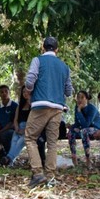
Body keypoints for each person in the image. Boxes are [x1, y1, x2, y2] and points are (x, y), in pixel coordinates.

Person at [24, 36, 74, 188]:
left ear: (42, 47)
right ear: (57, 50)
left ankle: (38, 173)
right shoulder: (64, 67)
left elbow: (30, 80)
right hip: (57, 108)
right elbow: (69, 91)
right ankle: (50, 176)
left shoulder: (37, 60)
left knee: (30, 137)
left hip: (40, 104)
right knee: (52, 143)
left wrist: (30, 90)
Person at [67, 90, 100, 167]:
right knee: (70, 132)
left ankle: (88, 158)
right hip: (84, 128)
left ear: (87, 99)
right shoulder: (77, 107)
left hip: (95, 129)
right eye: (78, 98)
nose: (79, 100)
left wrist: (79, 110)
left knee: (84, 131)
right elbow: (77, 122)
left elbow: (86, 124)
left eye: (82, 97)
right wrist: (71, 127)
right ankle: (74, 157)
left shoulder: (92, 108)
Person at [1, 87, 31, 167]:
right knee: (14, 140)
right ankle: (10, 161)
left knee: (20, 141)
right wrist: (17, 128)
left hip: (29, 128)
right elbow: (15, 119)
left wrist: (25, 130)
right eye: (23, 92)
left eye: (27, 91)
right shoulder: (20, 105)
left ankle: (8, 158)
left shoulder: (34, 105)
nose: (25, 93)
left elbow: (34, 121)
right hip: (19, 127)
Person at [0, 85, 18, 156]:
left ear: (9, 93)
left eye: (6, 91)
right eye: (2, 92)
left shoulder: (14, 106)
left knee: (5, 135)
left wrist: (0, 132)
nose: (4, 93)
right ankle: (0, 156)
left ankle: (9, 157)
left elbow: (12, 123)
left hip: (12, 130)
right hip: (1, 130)